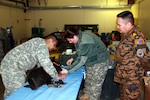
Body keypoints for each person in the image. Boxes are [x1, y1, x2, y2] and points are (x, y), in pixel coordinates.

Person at [0, 35, 68, 98]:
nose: (54, 48)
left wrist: (55, 70)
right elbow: (45, 63)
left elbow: (41, 64)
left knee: (11, 91)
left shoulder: (38, 42)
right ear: (50, 40)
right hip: (12, 68)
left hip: (13, 67)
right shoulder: (42, 45)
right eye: (54, 45)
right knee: (17, 92)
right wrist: (56, 76)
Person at [64, 27, 110, 100]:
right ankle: (87, 96)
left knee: (95, 84)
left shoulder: (85, 41)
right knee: (88, 80)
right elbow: (80, 51)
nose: (70, 42)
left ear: (75, 36)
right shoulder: (79, 37)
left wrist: (68, 70)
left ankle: (93, 98)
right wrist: (73, 58)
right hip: (91, 59)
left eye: (70, 40)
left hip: (100, 61)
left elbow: (81, 61)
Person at [114, 11, 150, 100]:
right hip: (124, 77)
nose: (117, 27)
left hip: (132, 79)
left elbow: (145, 57)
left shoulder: (137, 37)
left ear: (129, 24)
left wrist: (146, 71)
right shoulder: (126, 35)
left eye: (119, 25)